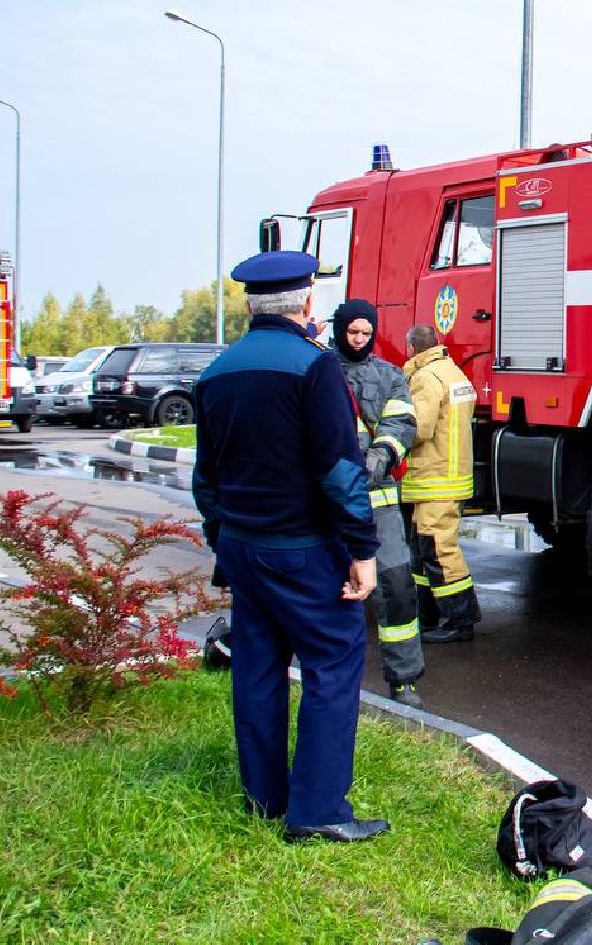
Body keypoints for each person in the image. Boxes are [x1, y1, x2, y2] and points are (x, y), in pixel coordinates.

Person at [192, 250, 387, 843]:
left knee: (256, 669)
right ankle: (320, 810)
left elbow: (207, 479)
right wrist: (362, 547)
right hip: (305, 551)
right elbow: (338, 469)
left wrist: (225, 541)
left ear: (250, 306)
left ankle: (265, 799)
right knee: (332, 663)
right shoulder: (315, 368)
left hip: (245, 548)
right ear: (305, 304)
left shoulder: (215, 373)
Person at [332, 299, 425, 707]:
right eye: (353, 332)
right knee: (330, 588)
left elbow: (402, 422)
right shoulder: (320, 371)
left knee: (397, 587)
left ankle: (404, 680)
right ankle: (328, 676)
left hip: (379, 501)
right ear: (340, 330)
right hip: (330, 502)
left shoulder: (389, 376)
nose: (359, 340)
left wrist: (380, 456)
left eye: (366, 333)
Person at [400, 324, 481, 643]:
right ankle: (428, 613)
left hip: (434, 478)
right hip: (450, 475)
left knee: (437, 548)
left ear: (411, 348)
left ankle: (461, 619)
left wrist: (388, 430)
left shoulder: (425, 378)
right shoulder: (453, 372)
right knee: (425, 548)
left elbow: (419, 428)